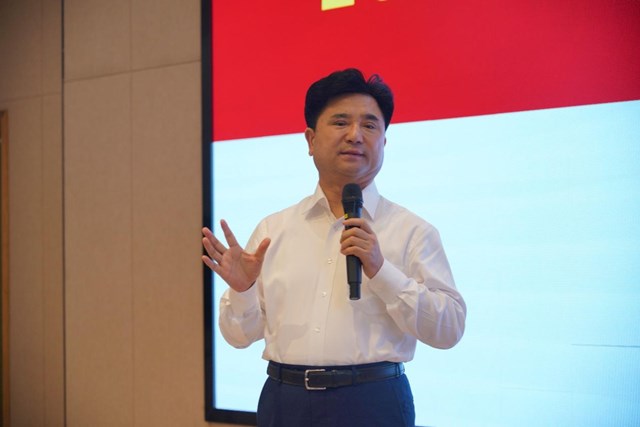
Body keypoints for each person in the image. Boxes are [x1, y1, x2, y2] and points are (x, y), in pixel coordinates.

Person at [202, 68, 466, 427]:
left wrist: (381, 270)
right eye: (341, 122)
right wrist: (243, 289)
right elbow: (238, 336)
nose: (355, 135)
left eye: (370, 125)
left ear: (384, 142)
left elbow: (450, 329)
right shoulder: (272, 231)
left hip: (372, 403)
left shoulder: (413, 231)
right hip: (284, 402)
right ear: (310, 140)